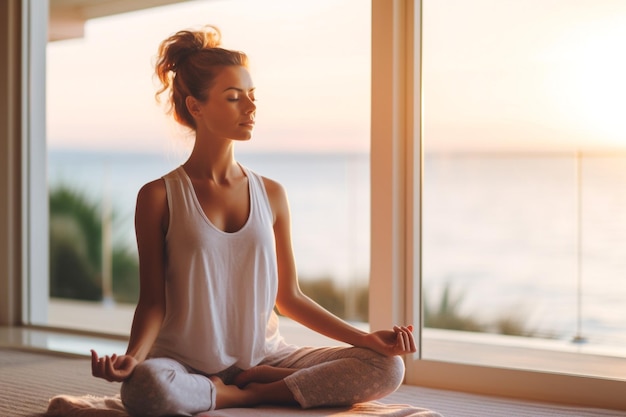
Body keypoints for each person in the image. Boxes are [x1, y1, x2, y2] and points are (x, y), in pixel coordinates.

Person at [90, 25, 416, 417]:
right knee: (145, 388)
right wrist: (133, 356)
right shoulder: (159, 196)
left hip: (266, 358)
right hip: (184, 363)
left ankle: (258, 390)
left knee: (386, 366)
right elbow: (153, 302)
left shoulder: (272, 194)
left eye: (252, 96)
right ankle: (244, 393)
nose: (250, 107)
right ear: (196, 106)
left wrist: (366, 339)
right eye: (233, 98)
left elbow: (289, 297)